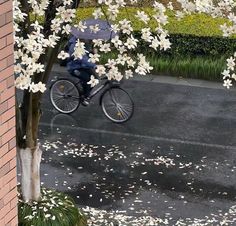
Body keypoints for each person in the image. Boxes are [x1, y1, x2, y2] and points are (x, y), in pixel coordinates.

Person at [67, 36, 97, 106]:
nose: (88, 39)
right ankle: (84, 97)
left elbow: (87, 55)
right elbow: (83, 59)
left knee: (95, 78)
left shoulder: (84, 44)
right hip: (74, 67)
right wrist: (94, 66)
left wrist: (93, 52)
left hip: (83, 66)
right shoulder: (74, 45)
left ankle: (85, 92)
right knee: (87, 78)